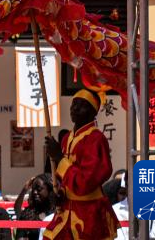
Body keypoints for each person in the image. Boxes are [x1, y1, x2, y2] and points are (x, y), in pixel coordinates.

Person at [43, 90, 119, 240]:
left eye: (82, 105)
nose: (75, 108)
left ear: (93, 112)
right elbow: (63, 179)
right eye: (73, 104)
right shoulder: (66, 138)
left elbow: (85, 183)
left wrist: (59, 157)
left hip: (89, 213)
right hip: (66, 210)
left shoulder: (96, 139)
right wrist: (60, 194)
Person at [12, 174, 56, 240]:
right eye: (33, 189)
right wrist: (25, 189)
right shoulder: (28, 213)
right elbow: (17, 209)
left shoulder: (57, 212)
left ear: (49, 189)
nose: (35, 192)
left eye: (39, 189)